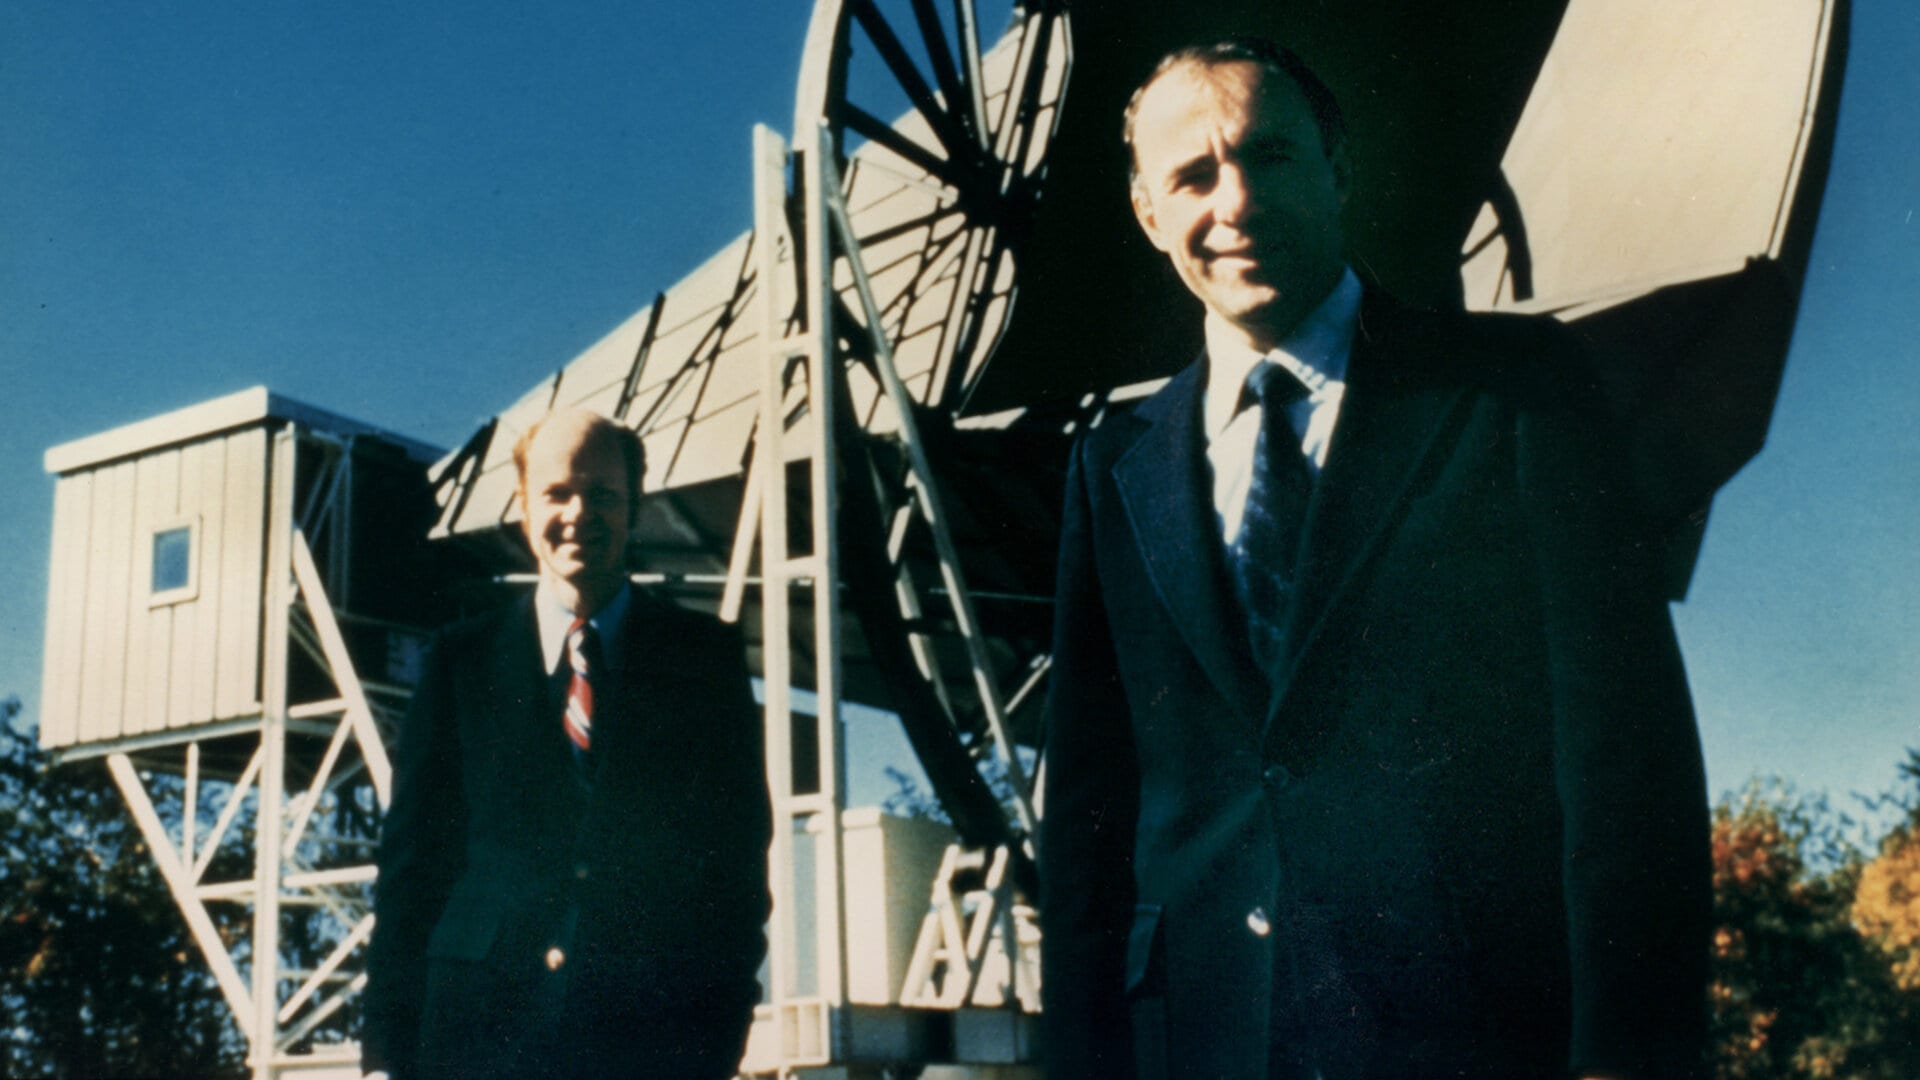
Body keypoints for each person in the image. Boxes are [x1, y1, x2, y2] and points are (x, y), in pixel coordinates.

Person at [1038, 38, 1711, 1079]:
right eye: (1193, 175)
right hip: (1200, 1039)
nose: (1238, 201)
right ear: (1149, 213)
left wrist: (1632, 1050)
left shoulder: (1512, 396)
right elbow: (1088, 811)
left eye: (1271, 156)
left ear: (1338, 170)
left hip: (1472, 1034)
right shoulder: (1112, 470)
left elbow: (1624, 750)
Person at [361, 407, 771, 1080]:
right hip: (473, 1042)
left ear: (635, 506)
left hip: (647, 1046)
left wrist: (712, 1045)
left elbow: (733, 876)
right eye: (557, 492)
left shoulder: (704, 663)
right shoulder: (459, 662)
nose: (579, 513)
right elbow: (411, 878)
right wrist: (386, 1055)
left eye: (603, 494)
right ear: (523, 506)